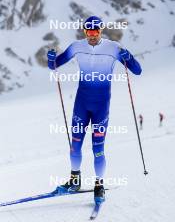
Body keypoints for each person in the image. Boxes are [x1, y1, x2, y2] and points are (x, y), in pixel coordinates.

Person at [47, 16, 142, 203]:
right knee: (75, 146)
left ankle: (99, 186)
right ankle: (75, 180)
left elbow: (137, 70)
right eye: (88, 31)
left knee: (98, 149)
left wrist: (128, 57)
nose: (92, 35)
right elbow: (55, 65)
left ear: (100, 30)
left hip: (101, 106)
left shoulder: (114, 48)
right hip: (81, 104)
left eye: (95, 31)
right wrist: (51, 60)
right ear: (85, 31)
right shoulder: (76, 46)